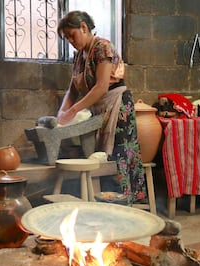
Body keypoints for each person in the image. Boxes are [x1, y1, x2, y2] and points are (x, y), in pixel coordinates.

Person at [57, 11, 146, 205]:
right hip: (99, 108)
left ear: (84, 27)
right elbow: (72, 91)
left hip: (118, 107)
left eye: (73, 35)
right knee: (100, 157)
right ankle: (105, 207)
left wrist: (73, 112)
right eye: (67, 38)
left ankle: (126, 207)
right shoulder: (79, 56)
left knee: (118, 158)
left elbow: (101, 86)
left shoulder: (102, 47)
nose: (71, 41)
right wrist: (60, 115)